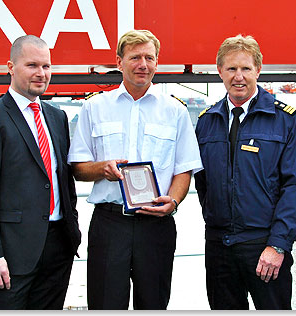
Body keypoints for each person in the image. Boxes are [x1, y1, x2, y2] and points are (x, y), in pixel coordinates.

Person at [68, 29, 202, 310]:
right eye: (135, 57)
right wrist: (101, 169)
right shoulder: (95, 107)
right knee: (105, 305)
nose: (143, 64)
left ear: (157, 62)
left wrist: (174, 201)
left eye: (149, 58)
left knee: (153, 304)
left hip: (157, 224)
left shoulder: (175, 111)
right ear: (119, 62)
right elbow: (78, 168)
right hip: (110, 223)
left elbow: (184, 168)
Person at [194, 34, 296, 310]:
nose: (239, 76)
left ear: (258, 70)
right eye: (231, 68)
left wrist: (279, 244)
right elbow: (203, 185)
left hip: (265, 246)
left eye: (246, 68)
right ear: (219, 71)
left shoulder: (286, 120)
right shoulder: (206, 122)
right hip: (219, 248)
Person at [0, 35, 81, 310]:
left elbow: (62, 178)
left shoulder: (57, 116)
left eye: (47, 66)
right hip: (11, 254)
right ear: (11, 67)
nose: (41, 74)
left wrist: (72, 229)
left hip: (58, 247)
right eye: (32, 65)